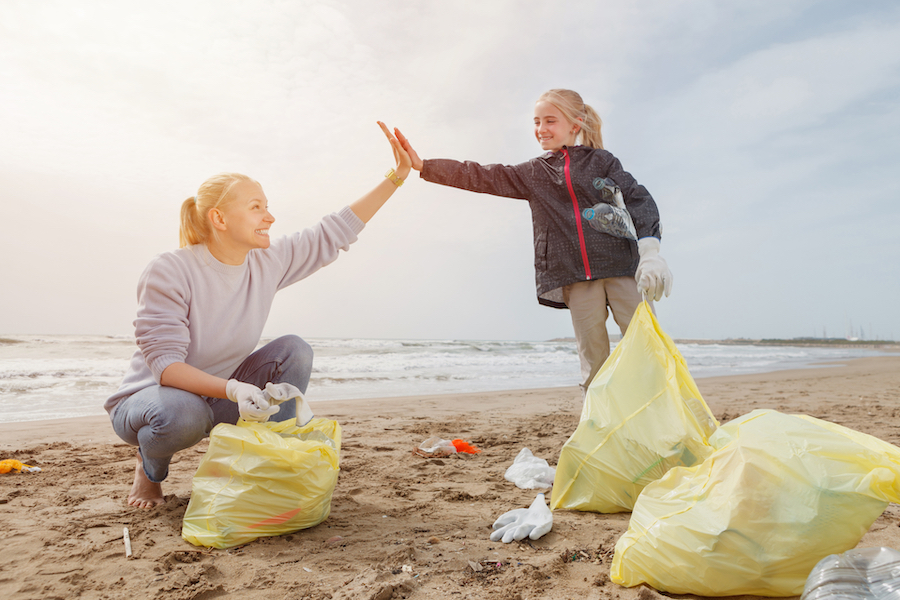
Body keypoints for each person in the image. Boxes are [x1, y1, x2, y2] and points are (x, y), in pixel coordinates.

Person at [106, 122, 411, 509]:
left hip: (217, 398)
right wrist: (233, 389)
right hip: (152, 403)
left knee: (294, 350)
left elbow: (334, 232)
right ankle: (149, 468)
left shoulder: (268, 261)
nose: (269, 217)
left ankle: (266, 466)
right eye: (256, 208)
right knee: (182, 412)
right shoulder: (170, 269)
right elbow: (166, 366)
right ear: (219, 219)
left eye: (266, 206)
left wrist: (396, 177)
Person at [396, 89, 672, 394]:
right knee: (594, 365)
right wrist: (424, 165)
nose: (541, 129)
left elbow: (638, 198)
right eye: (537, 121)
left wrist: (650, 252)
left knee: (649, 351)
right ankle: (602, 430)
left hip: (621, 267)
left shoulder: (602, 162)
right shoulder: (534, 172)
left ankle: (666, 424)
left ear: (575, 125)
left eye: (550, 121)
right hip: (576, 277)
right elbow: (480, 175)